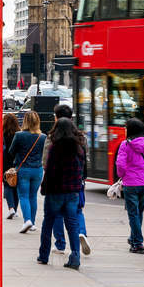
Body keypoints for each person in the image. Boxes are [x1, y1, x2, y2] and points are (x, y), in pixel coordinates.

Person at [36, 117, 85, 270]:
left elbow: (50, 170)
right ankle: (75, 256)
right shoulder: (79, 147)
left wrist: (44, 187)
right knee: (72, 224)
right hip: (72, 191)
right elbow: (81, 169)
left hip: (55, 191)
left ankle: (43, 255)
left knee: (48, 222)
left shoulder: (55, 147)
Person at [48, 102, 91, 257]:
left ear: (56, 118)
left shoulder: (52, 137)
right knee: (78, 210)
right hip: (76, 180)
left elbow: (46, 161)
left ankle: (60, 244)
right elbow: (85, 160)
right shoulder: (81, 137)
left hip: (57, 183)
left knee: (58, 213)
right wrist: (83, 178)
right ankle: (81, 232)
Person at [116, 117, 144, 254]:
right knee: (138, 212)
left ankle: (138, 243)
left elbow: (120, 165)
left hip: (131, 183)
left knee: (133, 213)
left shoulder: (125, 145)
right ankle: (133, 237)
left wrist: (122, 175)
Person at [7, 109, 45, 232]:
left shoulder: (19, 135)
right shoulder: (42, 137)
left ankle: (27, 220)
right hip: (38, 170)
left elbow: (11, 152)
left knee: (23, 196)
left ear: (25, 121)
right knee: (33, 196)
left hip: (23, 169)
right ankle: (32, 223)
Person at [2, 111, 20, 219]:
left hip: (5, 162)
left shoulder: (2, 133)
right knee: (15, 185)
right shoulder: (19, 133)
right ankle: (15, 209)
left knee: (7, 184)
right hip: (17, 162)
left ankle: (11, 208)